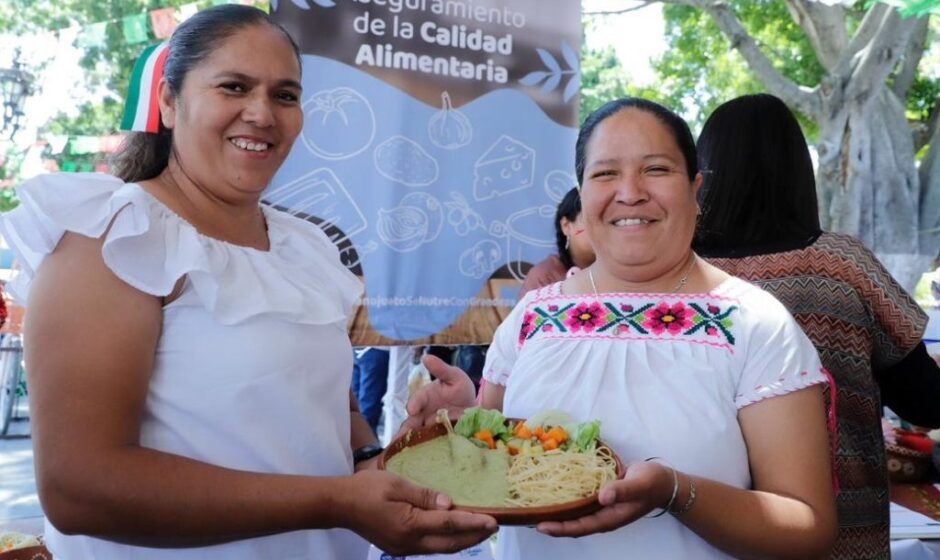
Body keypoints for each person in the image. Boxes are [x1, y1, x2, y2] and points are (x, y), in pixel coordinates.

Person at [0, 6, 496, 559]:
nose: (261, 113)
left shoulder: (305, 246)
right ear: (169, 101)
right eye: (233, 87)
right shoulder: (114, 237)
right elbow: (79, 487)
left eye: (285, 95)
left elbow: (330, 412)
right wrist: (335, 501)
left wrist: (395, 455)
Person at [405, 97, 838, 559]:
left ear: (696, 190)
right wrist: (458, 428)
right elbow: (495, 460)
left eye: (656, 169)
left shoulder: (754, 322)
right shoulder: (532, 315)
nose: (629, 192)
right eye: (605, 173)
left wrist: (674, 492)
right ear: (581, 193)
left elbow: (806, 526)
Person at [694, 93, 940, 559]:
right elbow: (925, 399)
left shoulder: (679, 276)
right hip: (843, 535)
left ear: (704, 173)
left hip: (704, 532)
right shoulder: (843, 266)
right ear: (796, 172)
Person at [519, 187, 595, 295]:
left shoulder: (621, 272)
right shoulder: (544, 278)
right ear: (566, 225)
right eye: (590, 219)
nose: (600, 229)